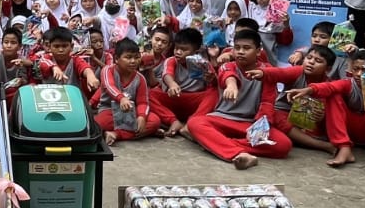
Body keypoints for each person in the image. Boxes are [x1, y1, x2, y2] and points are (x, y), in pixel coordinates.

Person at [184, 30, 292, 167]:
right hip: (222, 118)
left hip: (250, 123)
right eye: (237, 48)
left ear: (258, 51)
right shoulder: (227, 66)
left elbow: (267, 103)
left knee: (283, 145)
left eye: (246, 48)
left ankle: (216, 142)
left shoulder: (267, 72)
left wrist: (260, 128)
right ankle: (239, 154)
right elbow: (227, 75)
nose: (240, 52)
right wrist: (231, 85)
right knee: (196, 123)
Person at [152, 27, 215, 138]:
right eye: (176, 48)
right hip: (173, 98)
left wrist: (212, 78)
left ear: (196, 51)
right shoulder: (172, 60)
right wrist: (172, 84)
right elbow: (167, 74)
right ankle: (173, 121)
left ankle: (192, 123)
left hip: (194, 102)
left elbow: (213, 85)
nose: (178, 52)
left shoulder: (204, 64)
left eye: (184, 49)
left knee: (214, 93)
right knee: (148, 94)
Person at [94, 39, 160, 144]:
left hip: (131, 113)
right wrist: (121, 98)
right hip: (109, 110)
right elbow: (109, 86)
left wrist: (142, 116)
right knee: (99, 123)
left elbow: (143, 102)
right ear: (116, 59)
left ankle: (115, 134)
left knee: (155, 121)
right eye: (128, 57)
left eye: (137, 57)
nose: (133, 61)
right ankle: (140, 133)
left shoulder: (140, 78)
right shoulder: (108, 70)